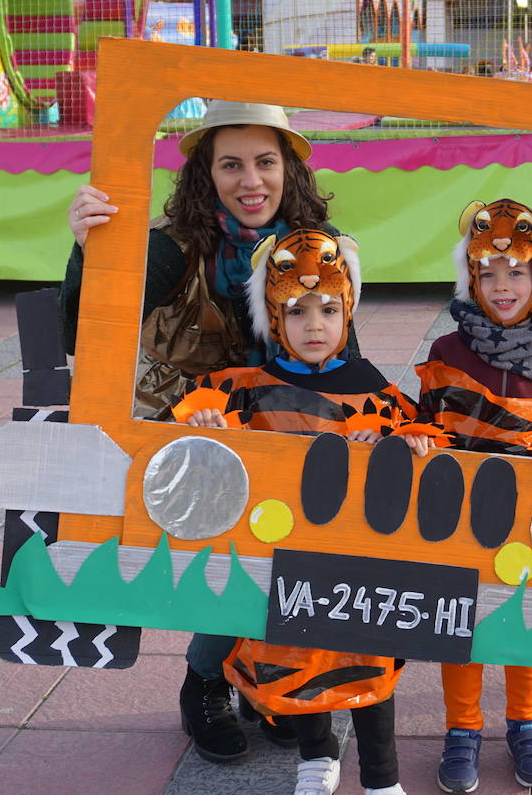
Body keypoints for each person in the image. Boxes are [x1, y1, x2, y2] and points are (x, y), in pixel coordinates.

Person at [60, 101, 353, 765]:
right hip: (190, 432)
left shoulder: (319, 244)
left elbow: (343, 351)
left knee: (295, 552)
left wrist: (363, 424)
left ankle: (259, 679)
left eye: (265, 161)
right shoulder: (173, 246)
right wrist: (87, 251)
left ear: (289, 170)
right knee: (237, 557)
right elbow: (85, 328)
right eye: (231, 164)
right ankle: (206, 681)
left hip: (286, 426)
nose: (250, 180)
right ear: (205, 174)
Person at [174, 228, 427, 795]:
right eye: (297, 310)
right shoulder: (253, 388)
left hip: (359, 566)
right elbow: (201, 409)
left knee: (371, 671)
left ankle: (382, 781)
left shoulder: (375, 390)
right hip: (288, 564)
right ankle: (317, 759)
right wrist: (203, 421)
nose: (315, 325)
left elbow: (417, 430)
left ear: (348, 311)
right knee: (298, 659)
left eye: (329, 309)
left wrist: (405, 441)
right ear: (273, 316)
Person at [417, 199, 532, 793]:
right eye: (487, 273)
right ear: (469, 275)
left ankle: (526, 723)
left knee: (526, 618)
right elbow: (427, 419)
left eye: (516, 271)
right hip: (461, 515)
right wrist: (417, 437)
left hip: (531, 517)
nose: (501, 286)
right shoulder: (447, 352)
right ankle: (462, 729)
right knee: (459, 621)